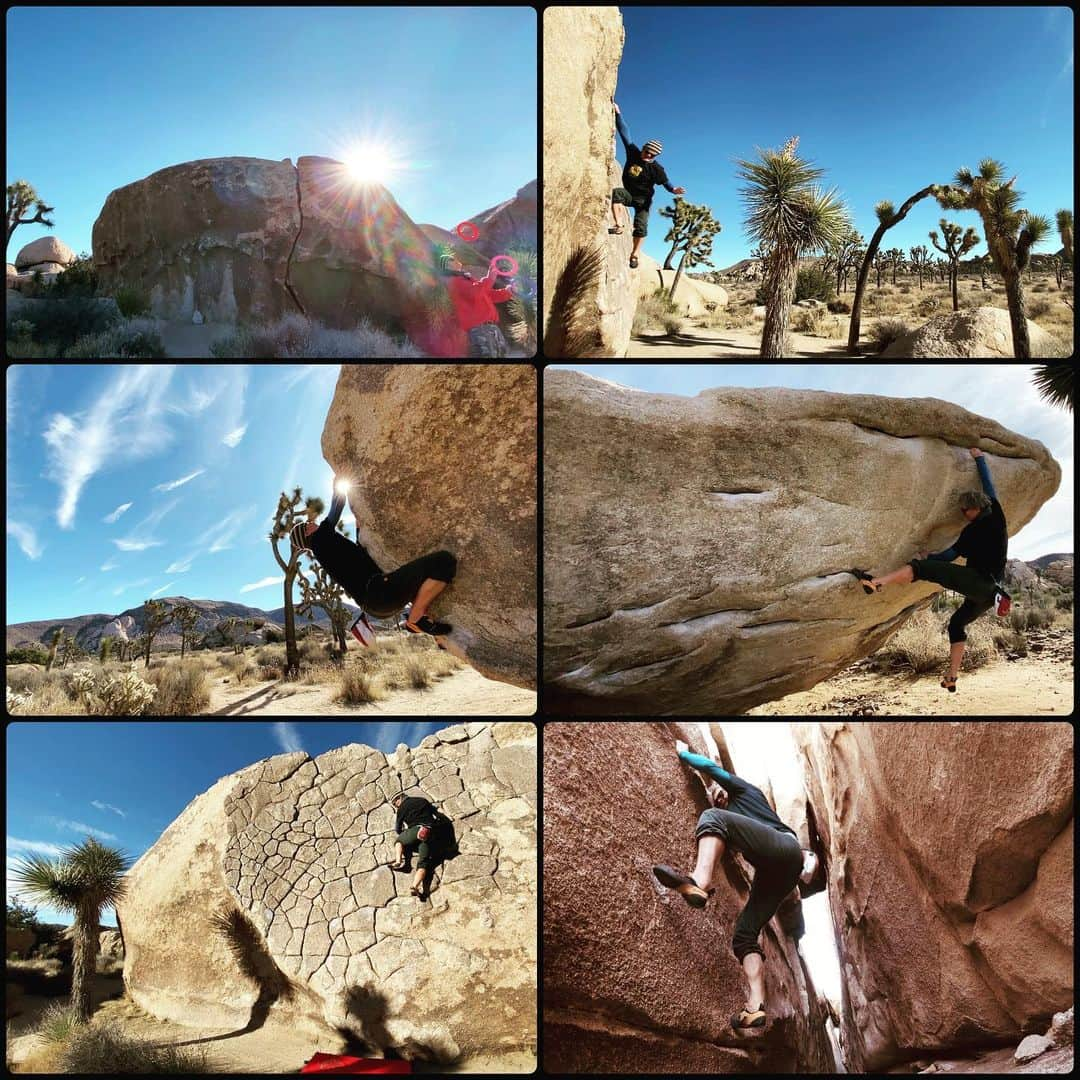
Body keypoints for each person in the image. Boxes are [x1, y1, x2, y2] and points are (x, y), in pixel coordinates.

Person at [652, 741, 822, 1032]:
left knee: (712, 819)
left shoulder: (746, 792)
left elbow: (710, 768)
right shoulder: (738, 825)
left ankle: (699, 884)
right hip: (779, 876)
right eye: (712, 796)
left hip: (785, 848)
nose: (716, 796)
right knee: (744, 935)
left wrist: (681, 751)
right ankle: (755, 1008)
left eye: (718, 793)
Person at [853, 447, 1009, 694]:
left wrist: (929, 559)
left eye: (964, 510)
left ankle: (876, 583)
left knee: (920, 569)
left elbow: (950, 556)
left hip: (977, 581)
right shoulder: (998, 516)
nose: (962, 514)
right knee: (957, 624)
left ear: (973, 508)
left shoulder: (971, 531)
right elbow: (989, 486)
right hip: (991, 593)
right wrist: (979, 459)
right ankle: (952, 678)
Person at [290, 476, 457, 644]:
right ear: (306, 533)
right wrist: (339, 484)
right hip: (380, 592)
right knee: (444, 561)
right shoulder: (319, 538)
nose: (311, 522)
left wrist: (358, 530)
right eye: (307, 524)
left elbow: (356, 555)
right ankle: (415, 617)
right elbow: (336, 508)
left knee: (419, 583)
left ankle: (434, 634)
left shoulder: (324, 550)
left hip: (377, 605)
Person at [609, 101, 686, 269]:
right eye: (646, 152)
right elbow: (625, 132)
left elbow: (666, 183)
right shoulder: (633, 153)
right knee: (616, 193)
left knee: (641, 227)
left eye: (651, 155)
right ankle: (619, 225)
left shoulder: (656, 169)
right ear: (642, 149)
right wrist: (618, 113)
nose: (647, 156)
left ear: (655, 156)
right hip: (629, 193)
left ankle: (635, 253)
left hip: (643, 201)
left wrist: (673, 190)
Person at [439, 250, 514, 357]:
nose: (456, 260)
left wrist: (508, 291)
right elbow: (476, 292)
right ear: (447, 265)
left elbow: (489, 295)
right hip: (480, 329)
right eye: (452, 259)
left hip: (491, 327)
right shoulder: (454, 281)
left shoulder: (465, 279)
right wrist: (490, 277)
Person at [389, 792, 457, 901]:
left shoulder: (402, 808)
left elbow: (398, 828)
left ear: (400, 798)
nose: (395, 805)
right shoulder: (422, 800)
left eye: (395, 803)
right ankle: (415, 886)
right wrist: (448, 818)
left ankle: (399, 861)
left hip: (416, 830)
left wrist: (404, 832)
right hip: (430, 833)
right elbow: (437, 812)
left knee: (399, 842)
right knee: (423, 863)